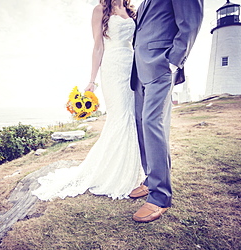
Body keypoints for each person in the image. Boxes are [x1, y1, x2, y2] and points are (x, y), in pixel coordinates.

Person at [32, 0, 145, 201]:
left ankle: (131, 169)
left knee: (131, 116)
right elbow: (98, 47)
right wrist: (91, 81)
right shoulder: (100, 10)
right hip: (112, 67)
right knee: (119, 117)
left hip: (131, 66)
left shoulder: (130, 10)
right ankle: (112, 172)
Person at [130, 0, 204, 223]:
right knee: (142, 122)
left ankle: (160, 197)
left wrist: (173, 62)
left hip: (161, 65)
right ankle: (151, 180)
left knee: (153, 124)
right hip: (140, 69)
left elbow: (191, 22)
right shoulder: (142, 4)